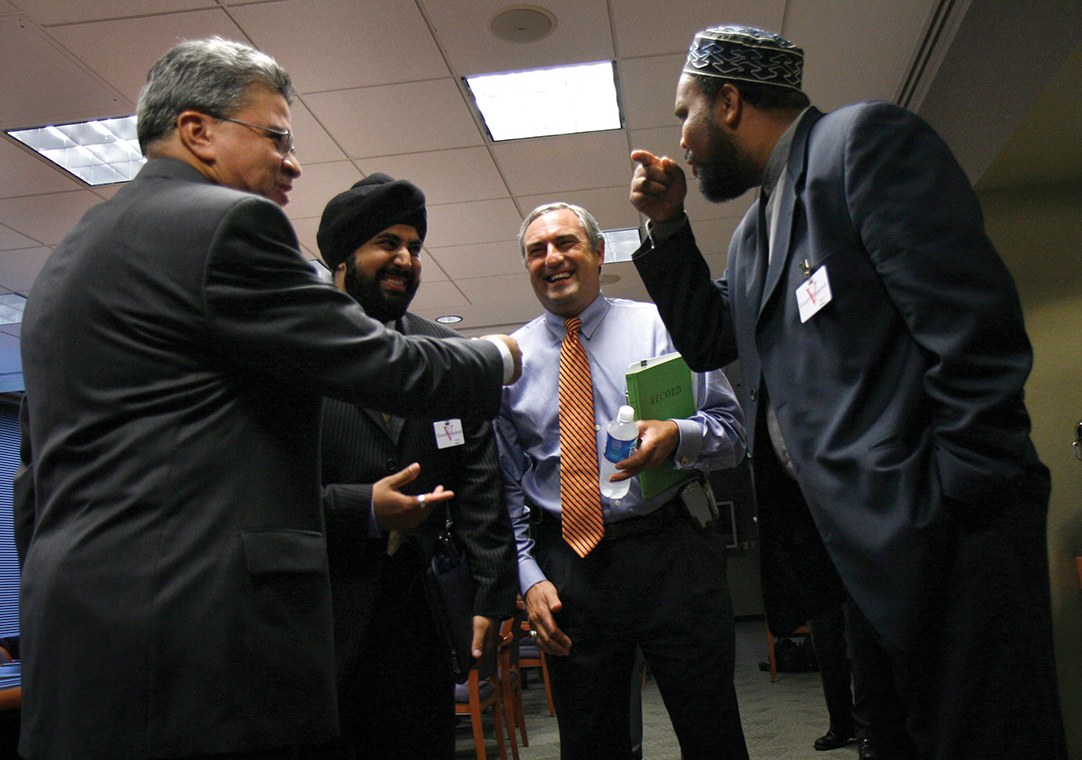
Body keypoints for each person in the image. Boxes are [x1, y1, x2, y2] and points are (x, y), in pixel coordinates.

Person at [13, 37, 521, 760]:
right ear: (198, 131)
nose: (293, 160)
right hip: (202, 648)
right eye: (277, 135)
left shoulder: (71, 258)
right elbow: (386, 365)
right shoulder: (223, 226)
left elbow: (36, 476)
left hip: (87, 643)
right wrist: (502, 356)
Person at [629, 24, 1067, 760]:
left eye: (685, 115)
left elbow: (971, 335)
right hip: (868, 550)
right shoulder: (752, 231)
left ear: (729, 101)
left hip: (945, 535)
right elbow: (710, 339)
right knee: (899, 741)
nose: (681, 141)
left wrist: (958, 509)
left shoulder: (860, 143)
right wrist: (668, 228)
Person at [494, 202, 749, 760]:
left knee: (711, 731)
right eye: (537, 250)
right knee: (590, 743)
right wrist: (529, 576)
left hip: (673, 551)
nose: (552, 258)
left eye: (566, 243)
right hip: (572, 569)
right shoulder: (510, 363)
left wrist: (679, 435)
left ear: (598, 252)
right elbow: (509, 488)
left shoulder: (663, 326)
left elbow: (733, 435)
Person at [312, 173, 519, 759]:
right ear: (343, 256)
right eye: (386, 243)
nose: (404, 258)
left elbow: (480, 483)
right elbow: (270, 493)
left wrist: (490, 597)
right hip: (325, 617)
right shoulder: (298, 354)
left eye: (414, 246)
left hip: (425, 613)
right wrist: (363, 511)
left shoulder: (450, 359)